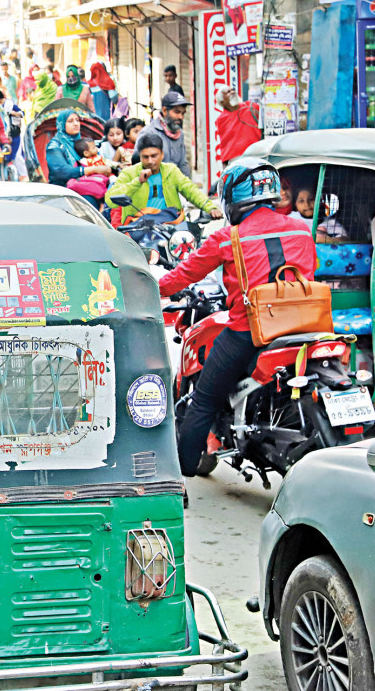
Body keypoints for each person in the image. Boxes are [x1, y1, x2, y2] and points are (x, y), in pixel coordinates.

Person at [157, 157, 315, 476]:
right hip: (306, 327)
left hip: (250, 331)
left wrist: (149, 287)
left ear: (232, 196)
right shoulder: (302, 228)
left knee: (204, 400)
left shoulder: (228, 237)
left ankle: (179, 475)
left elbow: (182, 276)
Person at [105, 133, 222, 228]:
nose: (150, 161)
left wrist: (210, 207)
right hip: (140, 227)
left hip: (171, 225)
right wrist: (137, 182)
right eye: (145, 157)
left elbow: (190, 190)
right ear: (140, 157)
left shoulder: (171, 170)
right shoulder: (129, 173)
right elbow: (110, 200)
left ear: (162, 154)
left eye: (154, 156)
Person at [137, 92, 192, 178]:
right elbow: (138, 164)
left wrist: (189, 186)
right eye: (177, 112)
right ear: (165, 111)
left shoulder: (179, 134)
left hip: (173, 187)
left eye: (183, 113)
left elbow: (183, 164)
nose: (181, 117)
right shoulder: (149, 132)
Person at [214, 86, 262, 167]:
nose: (232, 92)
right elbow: (225, 145)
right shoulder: (221, 120)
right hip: (237, 161)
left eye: (233, 90)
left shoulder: (252, 107)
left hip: (257, 155)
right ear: (222, 102)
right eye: (228, 92)